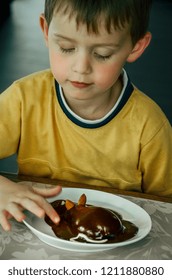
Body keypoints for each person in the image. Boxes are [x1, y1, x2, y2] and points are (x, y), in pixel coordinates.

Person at [0, 0, 172, 231]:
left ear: (135, 46)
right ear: (46, 30)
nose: (81, 68)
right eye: (67, 48)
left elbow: (165, 209)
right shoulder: (23, 100)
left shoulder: (149, 128)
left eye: (102, 54)